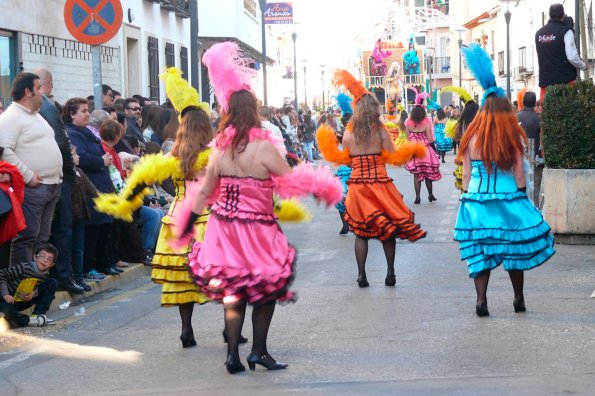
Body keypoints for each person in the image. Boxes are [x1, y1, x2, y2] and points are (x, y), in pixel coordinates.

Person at [181, 42, 341, 374]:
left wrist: (186, 227)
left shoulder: (219, 150)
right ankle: (258, 351)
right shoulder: (263, 148)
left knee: (233, 290)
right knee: (267, 287)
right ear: (253, 112)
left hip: (224, 227)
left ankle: (232, 356)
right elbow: (292, 180)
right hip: (256, 229)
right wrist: (322, 188)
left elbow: (204, 194)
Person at [454, 43, 555, 317]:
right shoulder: (511, 138)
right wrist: (523, 198)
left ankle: (481, 301)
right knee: (513, 249)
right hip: (508, 197)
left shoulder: (471, 137)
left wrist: (466, 197)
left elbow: (464, 177)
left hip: (477, 200)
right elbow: (521, 175)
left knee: (480, 252)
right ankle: (518, 298)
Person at [319, 69, 427, 288]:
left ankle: (361, 275)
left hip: (358, 186)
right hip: (380, 183)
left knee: (361, 232)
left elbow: (348, 159)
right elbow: (393, 154)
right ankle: (390, 273)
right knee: (387, 230)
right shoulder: (380, 130)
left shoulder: (350, 132)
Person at [0, 72, 63, 267]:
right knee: (27, 238)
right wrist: (27, 175)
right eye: (38, 89)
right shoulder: (11, 117)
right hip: (33, 188)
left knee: (41, 239)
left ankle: (32, 284)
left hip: (51, 185)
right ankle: (20, 286)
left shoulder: (36, 116)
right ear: (27, 92)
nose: (42, 93)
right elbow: (4, 150)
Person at [34, 68, 83, 294]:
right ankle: (62, 276)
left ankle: (56, 275)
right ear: (48, 86)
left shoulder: (41, 110)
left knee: (49, 231)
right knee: (61, 229)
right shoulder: (47, 109)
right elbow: (61, 143)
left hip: (50, 177)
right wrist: (70, 172)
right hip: (53, 179)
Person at [64, 98, 120, 277]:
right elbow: (81, 157)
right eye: (83, 111)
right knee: (93, 230)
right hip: (90, 187)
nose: (87, 114)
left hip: (102, 184)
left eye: (88, 110)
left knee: (106, 227)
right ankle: (90, 267)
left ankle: (105, 262)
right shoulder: (72, 133)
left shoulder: (86, 131)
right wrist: (101, 161)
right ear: (72, 114)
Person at [535, 3, 587, 102]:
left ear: (549, 15)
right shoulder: (566, 31)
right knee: (568, 114)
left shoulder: (539, 34)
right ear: (563, 15)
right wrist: (583, 66)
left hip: (545, 85)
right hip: (565, 83)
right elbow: (572, 56)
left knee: (548, 114)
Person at [0, 243, 59, 328]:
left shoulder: (46, 273)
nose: (45, 260)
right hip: (8, 300)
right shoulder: (24, 268)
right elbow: (2, 274)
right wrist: (5, 294)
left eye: (49, 259)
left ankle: (38, 315)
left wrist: (33, 293)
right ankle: (29, 321)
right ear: (35, 257)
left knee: (52, 282)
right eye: (42, 256)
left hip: (22, 300)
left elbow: (38, 286)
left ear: (52, 264)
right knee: (6, 310)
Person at [404, 103, 442, 204]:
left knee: (417, 175)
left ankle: (417, 197)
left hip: (414, 151)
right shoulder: (426, 124)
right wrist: (422, 143)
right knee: (428, 174)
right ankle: (430, 195)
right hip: (426, 152)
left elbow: (407, 140)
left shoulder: (408, 124)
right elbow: (430, 140)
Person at [516, 91, 542, 202]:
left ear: (522, 102)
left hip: (518, 159)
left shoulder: (515, 117)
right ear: (534, 103)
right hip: (535, 159)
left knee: (519, 186)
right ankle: (534, 210)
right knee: (535, 187)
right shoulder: (538, 118)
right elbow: (542, 139)